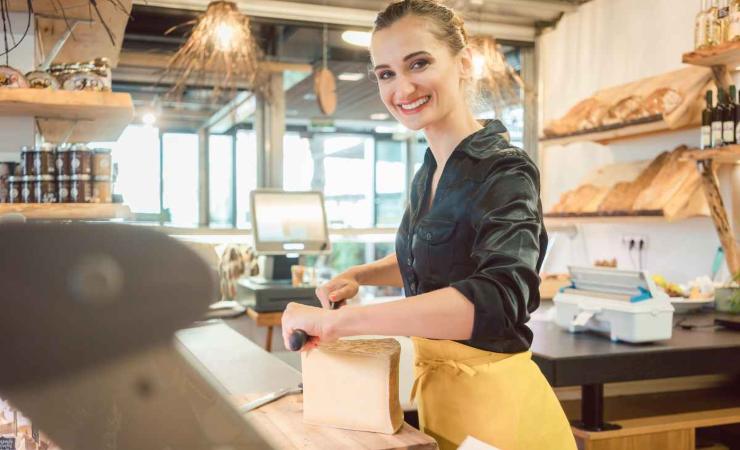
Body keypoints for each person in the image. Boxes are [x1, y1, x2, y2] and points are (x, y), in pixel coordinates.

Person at [281, 1, 576, 448]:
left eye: (418, 63)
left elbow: (497, 298)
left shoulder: (505, 172)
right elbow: (430, 256)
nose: (402, 87)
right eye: (385, 73)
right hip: (444, 401)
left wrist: (342, 324)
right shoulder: (429, 172)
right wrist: (359, 275)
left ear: (463, 63)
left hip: (502, 419)